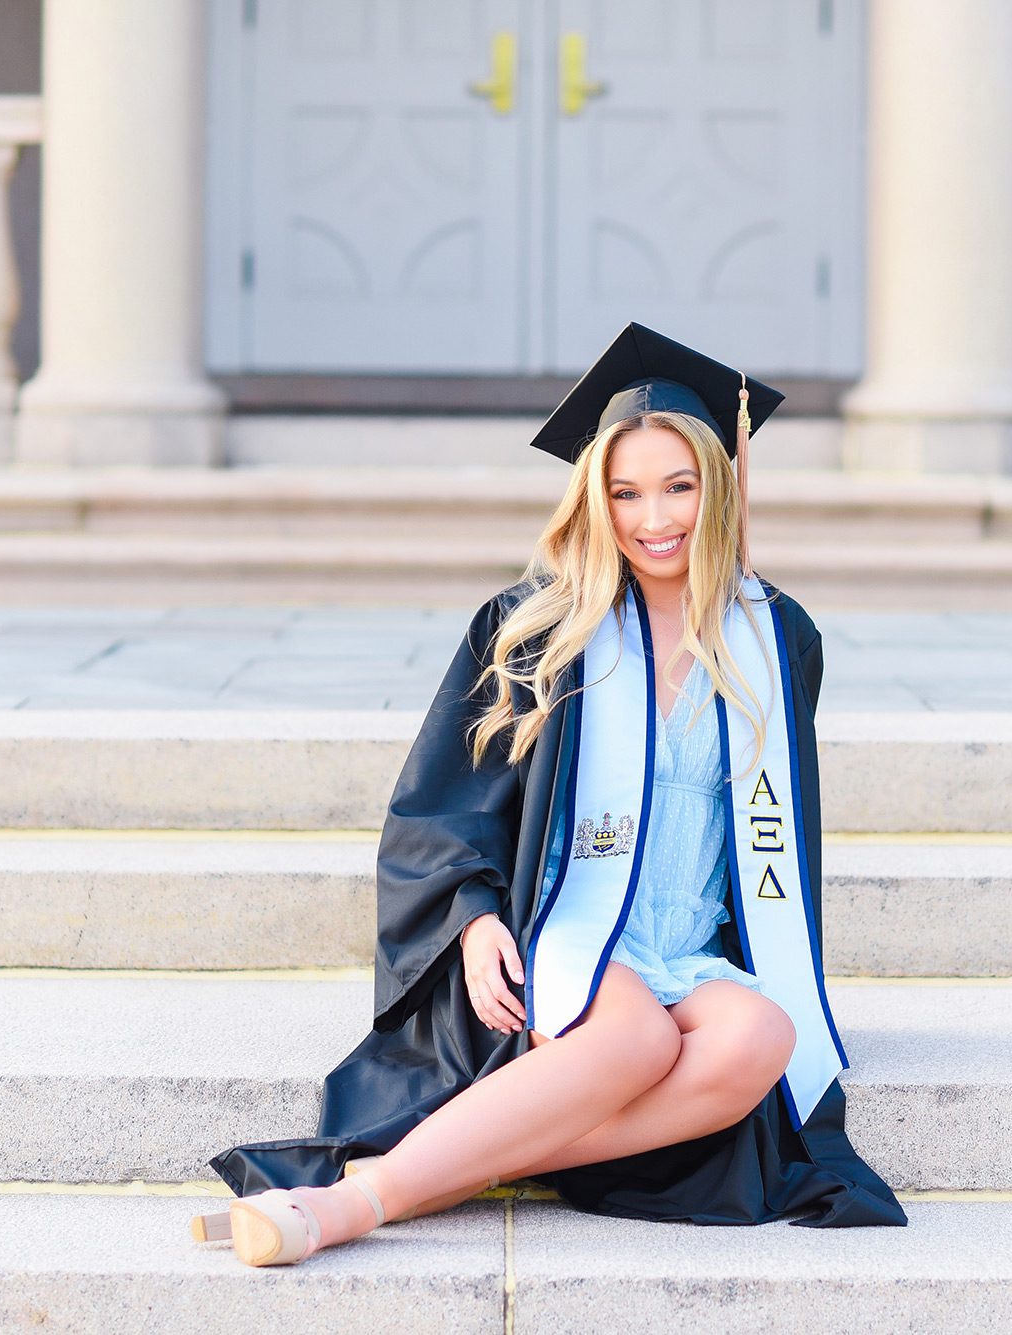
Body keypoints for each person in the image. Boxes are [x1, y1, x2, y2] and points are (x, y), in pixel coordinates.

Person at [196, 323, 905, 1266]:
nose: (655, 517)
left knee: (759, 1038)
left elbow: (776, 833)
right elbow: (441, 801)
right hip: (569, 930)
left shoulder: (778, 640)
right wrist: (471, 916)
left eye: (679, 486)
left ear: (721, 485)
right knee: (635, 1043)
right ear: (594, 500)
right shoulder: (537, 630)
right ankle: (348, 1209)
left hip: (690, 946)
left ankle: (445, 1164)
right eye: (626, 492)